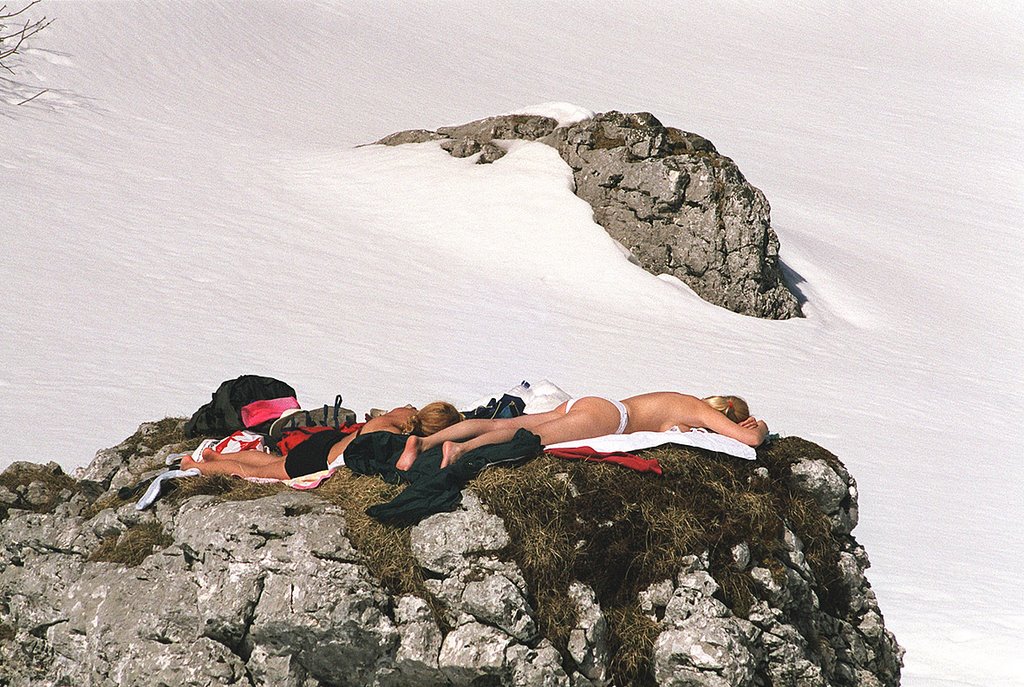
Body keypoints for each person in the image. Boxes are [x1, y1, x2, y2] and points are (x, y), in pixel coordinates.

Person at [396, 392, 768, 470]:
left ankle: (423, 442)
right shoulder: (699, 409)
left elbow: (673, 427)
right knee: (531, 440)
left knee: (505, 423)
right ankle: (459, 451)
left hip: (596, 405)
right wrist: (761, 427)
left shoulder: (684, 404)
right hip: (610, 418)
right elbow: (750, 440)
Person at [181, 401, 463, 480]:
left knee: (274, 461)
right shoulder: (402, 439)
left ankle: (217, 457)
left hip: (328, 439)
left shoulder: (403, 414)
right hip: (320, 459)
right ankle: (195, 466)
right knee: (260, 472)